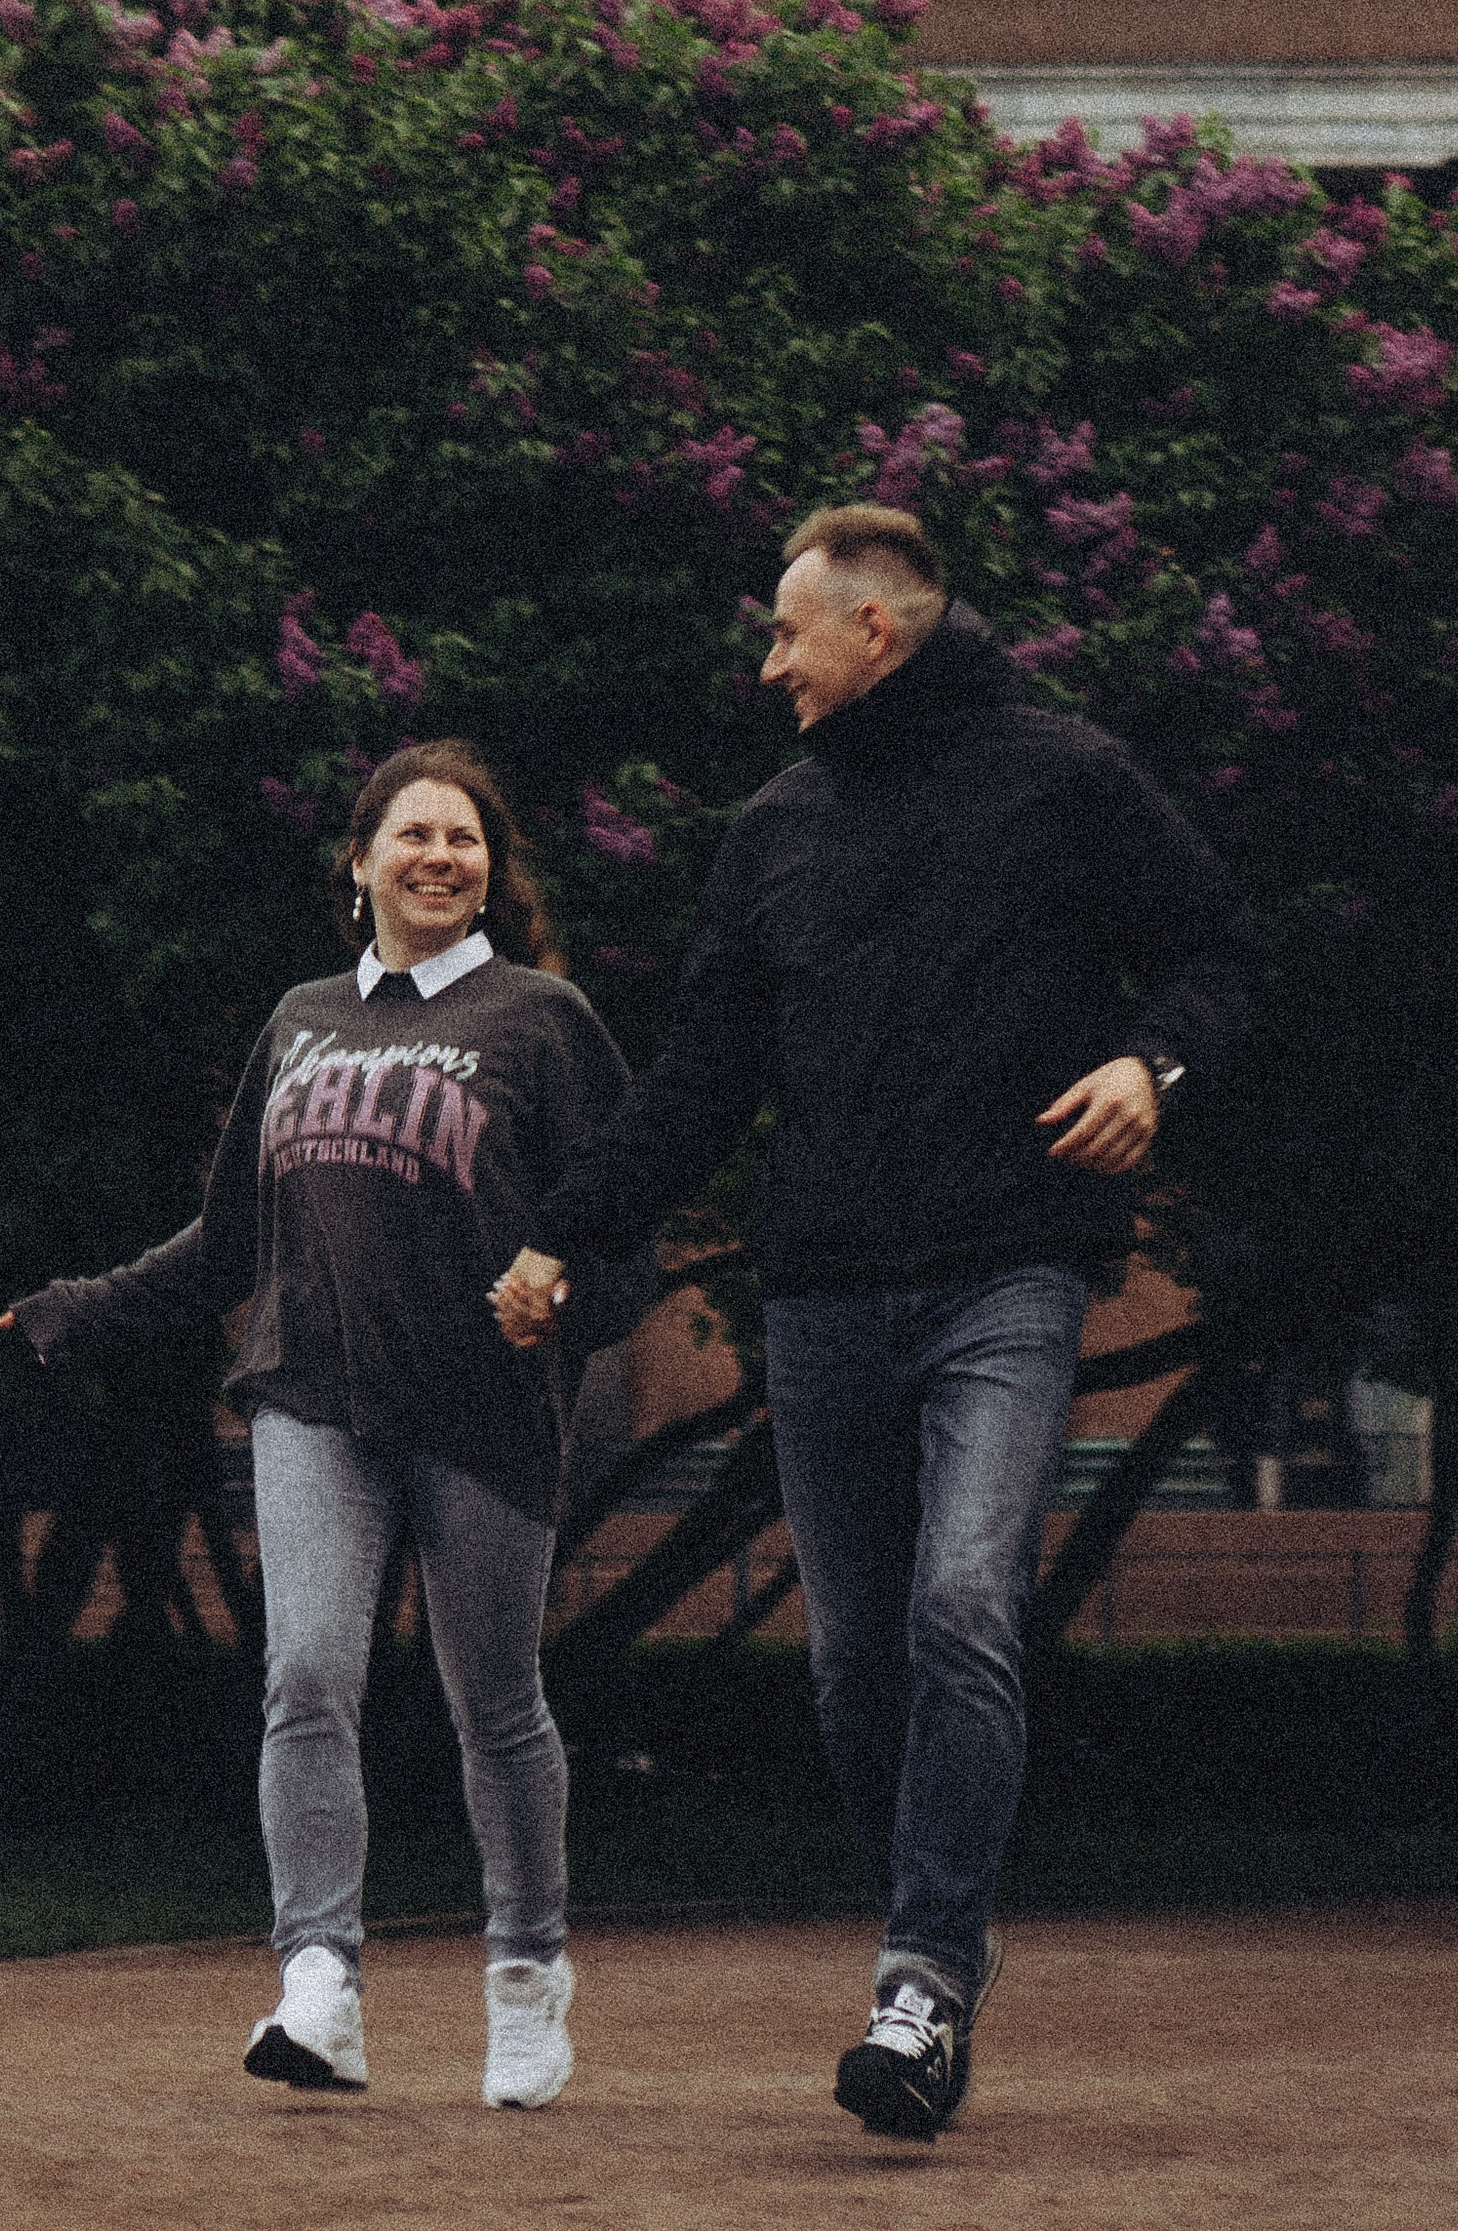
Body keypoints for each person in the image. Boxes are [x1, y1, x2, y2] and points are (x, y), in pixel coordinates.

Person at [491, 506, 1250, 2142]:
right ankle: (945, 1935)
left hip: (1007, 1272)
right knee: (852, 1673)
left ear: (877, 634)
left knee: (964, 1600)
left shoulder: (1068, 778)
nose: (769, 664)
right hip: (827, 1292)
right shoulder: (776, 828)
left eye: (787, 633)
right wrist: (567, 1232)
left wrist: (1150, 1067)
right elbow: (701, 1079)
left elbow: (1216, 952)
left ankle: (916, 1975)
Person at [3, 739, 641, 2110]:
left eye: (464, 839)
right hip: (313, 1399)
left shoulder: (544, 1022)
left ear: (491, 869)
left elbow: (624, 1242)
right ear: (358, 864)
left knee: (498, 1706)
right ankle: (320, 1983)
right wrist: (81, 1308)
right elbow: (231, 1235)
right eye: (411, 835)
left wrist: (566, 1296)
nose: (438, 857)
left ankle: (527, 1976)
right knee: (305, 1677)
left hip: (484, 1415)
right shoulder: (299, 1020)